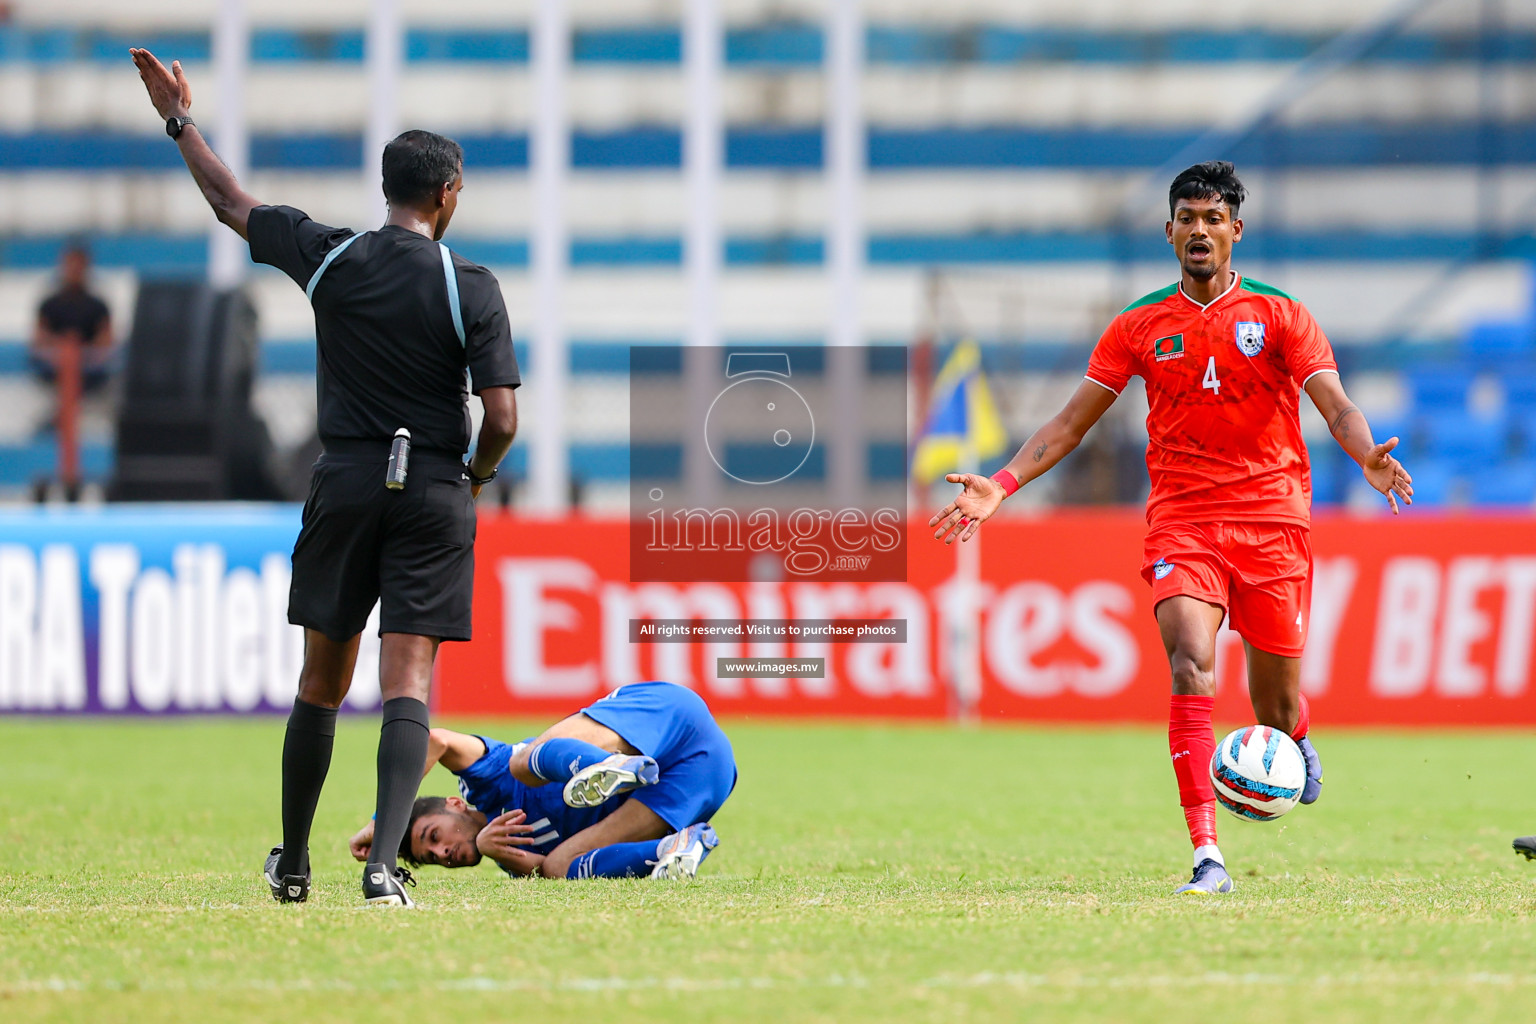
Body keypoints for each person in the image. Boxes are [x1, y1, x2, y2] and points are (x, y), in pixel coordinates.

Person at [928, 161, 1413, 895]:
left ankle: (1297, 739)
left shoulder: (1281, 314)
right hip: (1183, 523)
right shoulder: (1138, 327)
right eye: (1187, 218)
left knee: (1275, 709)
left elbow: (1333, 401)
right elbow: (1069, 424)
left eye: (1213, 219)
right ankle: (1207, 857)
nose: (1199, 230)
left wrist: (1366, 453)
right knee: (1191, 662)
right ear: (1168, 232)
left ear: (1235, 232)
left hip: (1273, 522)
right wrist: (1001, 485)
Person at [131, 48, 520, 908]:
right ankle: (383, 869)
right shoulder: (473, 287)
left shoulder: (331, 258)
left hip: (344, 478)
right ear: (447, 193)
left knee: (320, 682)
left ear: (387, 190)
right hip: (432, 488)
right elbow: (499, 420)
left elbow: (231, 204)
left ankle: (296, 862)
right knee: (407, 682)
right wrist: (477, 477)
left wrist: (179, 120)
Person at [346, 681, 736, 881]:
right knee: (558, 866)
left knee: (520, 765)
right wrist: (494, 850)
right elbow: (546, 872)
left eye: (434, 836)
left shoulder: (484, 782)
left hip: (661, 716)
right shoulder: (510, 860)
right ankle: (677, 848)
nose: (444, 851)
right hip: (704, 773)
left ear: (454, 804)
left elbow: (435, 740)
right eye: (435, 858)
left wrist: (381, 822)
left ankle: (609, 764)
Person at [31, 241, 116, 412]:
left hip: (90, 372)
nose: (75, 269)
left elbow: (106, 342)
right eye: (70, 264)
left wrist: (80, 353)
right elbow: (39, 340)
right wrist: (63, 348)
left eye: (79, 264)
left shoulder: (97, 305)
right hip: (55, 370)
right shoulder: (50, 304)